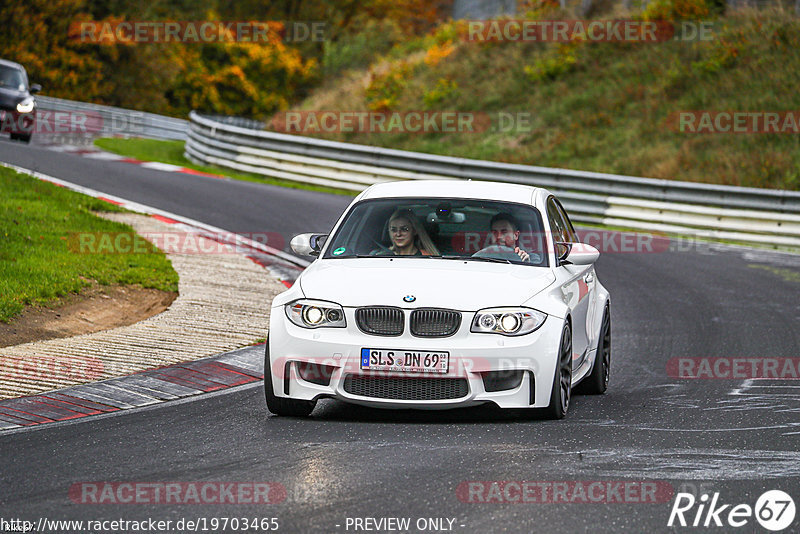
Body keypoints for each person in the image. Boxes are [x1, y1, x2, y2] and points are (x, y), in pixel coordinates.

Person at [373, 208, 439, 256]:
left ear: (415, 231)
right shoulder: (379, 256)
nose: (398, 234)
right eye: (394, 230)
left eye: (404, 229)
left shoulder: (428, 257)